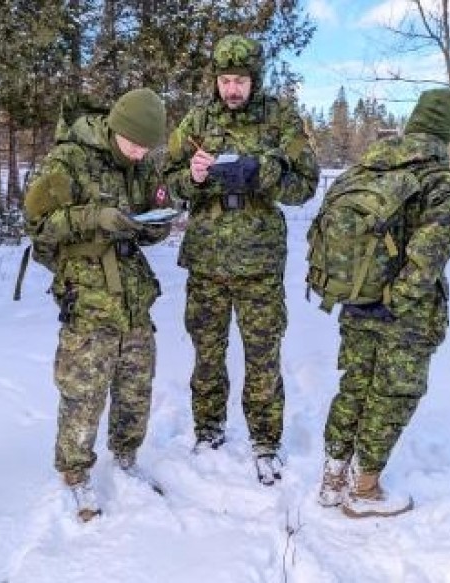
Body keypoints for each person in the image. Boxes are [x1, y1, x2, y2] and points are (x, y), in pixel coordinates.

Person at [164, 34, 319, 485]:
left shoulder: (281, 119)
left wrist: (262, 172)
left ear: (256, 79)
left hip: (259, 263)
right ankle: (208, 429)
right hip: (207, 261)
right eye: (225, 80)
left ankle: (265, 440)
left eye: (241, 81)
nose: (232, 90)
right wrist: (192, 177)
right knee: (207, 353)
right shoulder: (197, 120)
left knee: (263, 355)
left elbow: (305, 185)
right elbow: (168, 182)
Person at [317, 89, 450, 517]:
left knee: (355, 385)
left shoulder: (365, 168)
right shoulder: (440, 182)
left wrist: (366, 296)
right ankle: (363, 490)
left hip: (356, 299)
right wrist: (395, 301)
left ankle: (332, 477)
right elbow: (429, 257)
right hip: (405, 314)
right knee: (393, 394)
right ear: (449, 131)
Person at [22, 88, 170, 521]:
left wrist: (154, 224)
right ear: (114, 127)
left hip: (133, 293)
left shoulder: (143, 165)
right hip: (87, 293)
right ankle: (74, 475)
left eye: (147, 147)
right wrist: (94, 217)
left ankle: (126, 458)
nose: (139, 153)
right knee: (83, 390)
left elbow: (156, 213)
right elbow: (37, 226)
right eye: (133, 143)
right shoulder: (67, 160)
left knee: (136, 385)